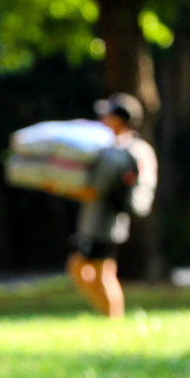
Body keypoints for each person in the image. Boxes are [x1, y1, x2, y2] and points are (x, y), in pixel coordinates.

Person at [68, 93, 158, 318]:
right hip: (113, 223)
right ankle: (108, 315)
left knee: (92, 271)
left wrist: (56, 186)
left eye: (107, 115)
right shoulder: (134, 148)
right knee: (101, 271)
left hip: (100, 223)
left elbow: (93, 191)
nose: (102, 119)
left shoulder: (115, 155)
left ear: (118, 120)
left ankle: (111, 316)